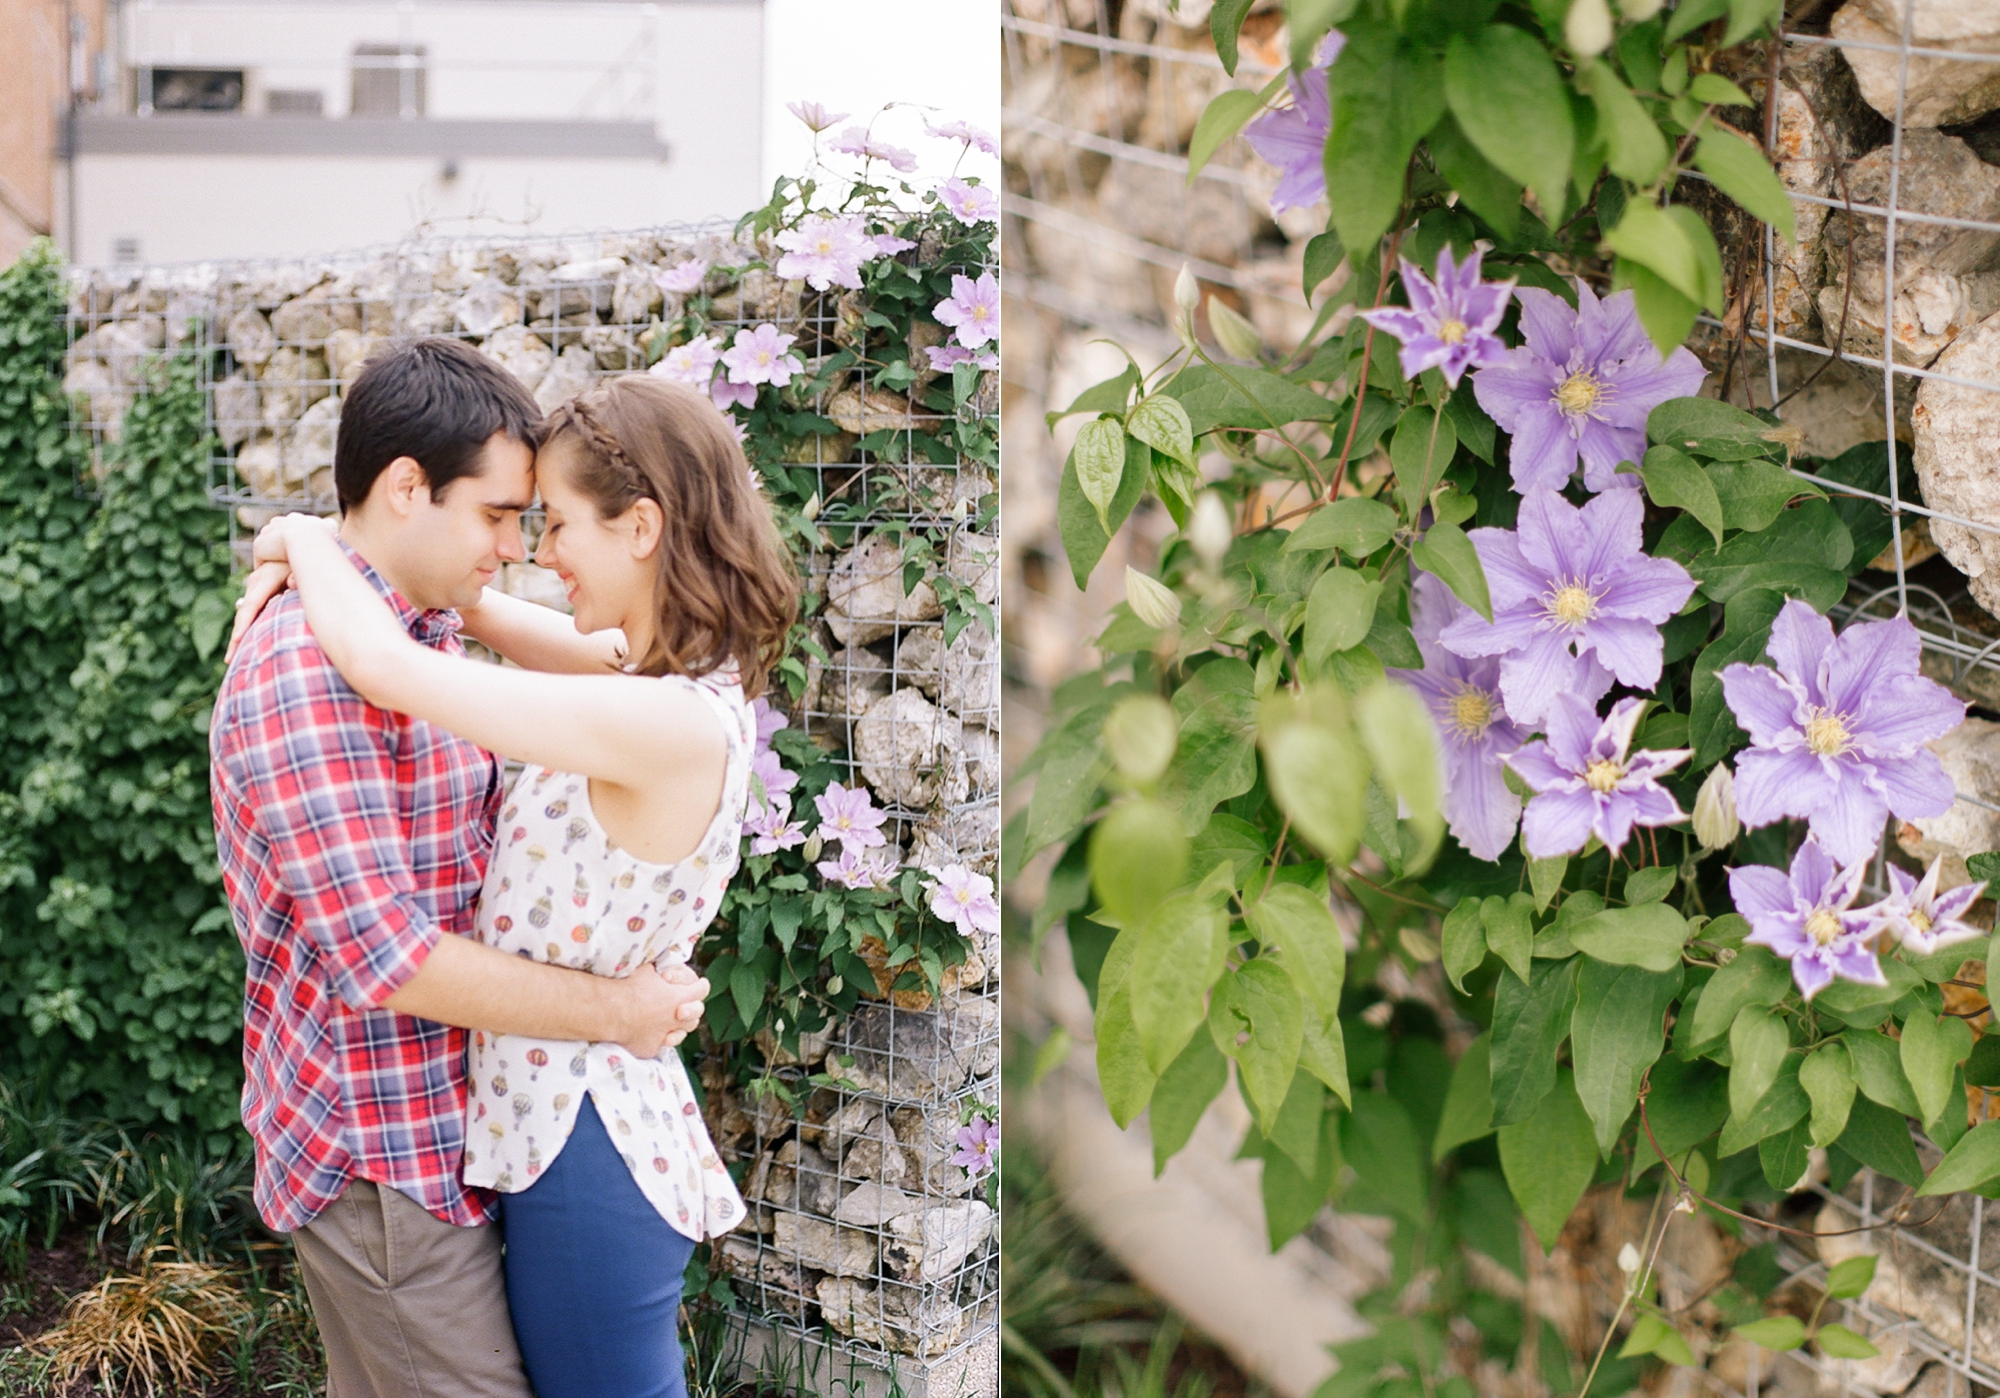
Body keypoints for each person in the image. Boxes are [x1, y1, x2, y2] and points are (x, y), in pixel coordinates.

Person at [233, 369, 798, 1398]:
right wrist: (325, 547)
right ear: (410, 487)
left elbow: (393, 669)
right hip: (473, 1132)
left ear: (640, 528)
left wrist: (306, 539)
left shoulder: (654, 714)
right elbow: (480, 615)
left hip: (580, 1131)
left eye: (550, 522)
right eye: (507, 515)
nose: (530, 550)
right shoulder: (656, 675)